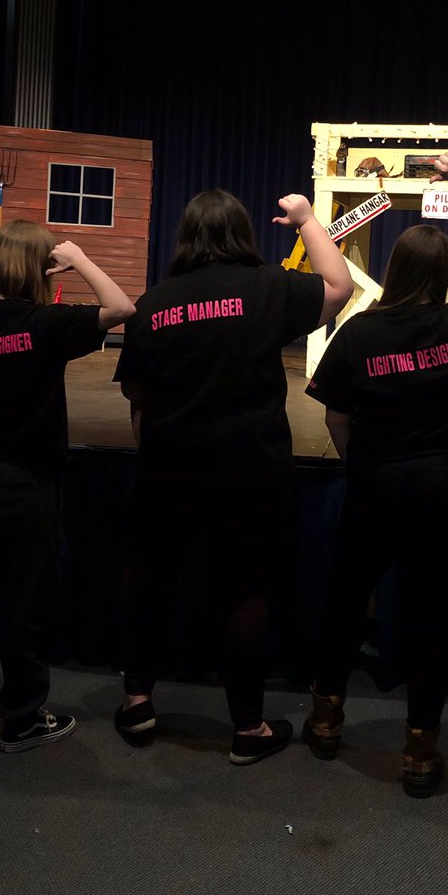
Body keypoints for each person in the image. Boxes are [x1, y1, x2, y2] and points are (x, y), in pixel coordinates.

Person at [303, 150, 448, 797]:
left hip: (379, 488)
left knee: (345, 602)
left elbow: (337, 417)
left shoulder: (361, 335)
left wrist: (363, 462)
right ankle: (421, 750)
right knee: (430, 618)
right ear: (447, 272)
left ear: (391, 271)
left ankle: (326, 715)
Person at [114, 188, 352, 764]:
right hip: (249, 469)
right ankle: (248, 730)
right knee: (242, 593)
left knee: (151, 581)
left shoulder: (153, 304)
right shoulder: (266, 286)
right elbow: (339, 287)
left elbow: (135, 393)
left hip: (169, 467)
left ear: (185, 237)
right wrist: (306, 221)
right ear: (242, 234)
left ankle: (139, 703)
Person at [0, 221, 135, 752]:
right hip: (27, 483)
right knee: (26, 600)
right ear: (41, 269)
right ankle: (21, 718)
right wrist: (79, 258)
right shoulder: (44, 323)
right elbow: (122, 308)